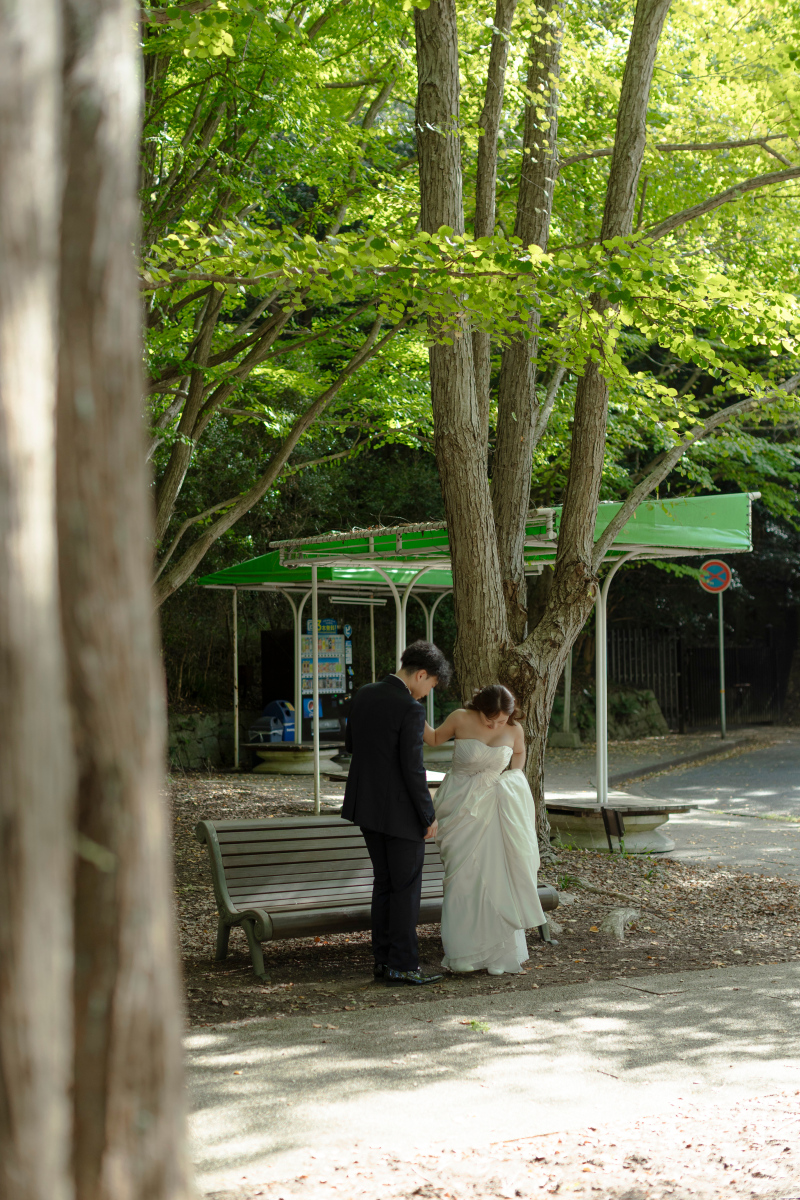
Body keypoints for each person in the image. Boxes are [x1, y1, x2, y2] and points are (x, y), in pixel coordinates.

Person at [343, 640, 452, 986]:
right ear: (421, 674)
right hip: (401, 813)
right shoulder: (409, 709)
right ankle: (403, 965)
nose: (426, 694)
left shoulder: (364, 694)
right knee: (406, 889)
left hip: (366, 807)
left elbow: (350, 745)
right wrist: (428, 814)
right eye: (430, 686)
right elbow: (412, 769)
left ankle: (383, 961)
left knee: (384, 884)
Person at [424, 684, 546, 975]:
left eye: (500, 721)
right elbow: (433, 739)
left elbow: (519, 753)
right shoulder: (460, 717)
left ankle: (497, 954)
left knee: (495, 876)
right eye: (488, 720)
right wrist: (414, 711)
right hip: (458, 805)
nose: (493, 725)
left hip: (494, 805)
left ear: (510, 715)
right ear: (479, 709)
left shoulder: (515, 730)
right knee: (461, 880)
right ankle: (463, 952)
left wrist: (512, 780)